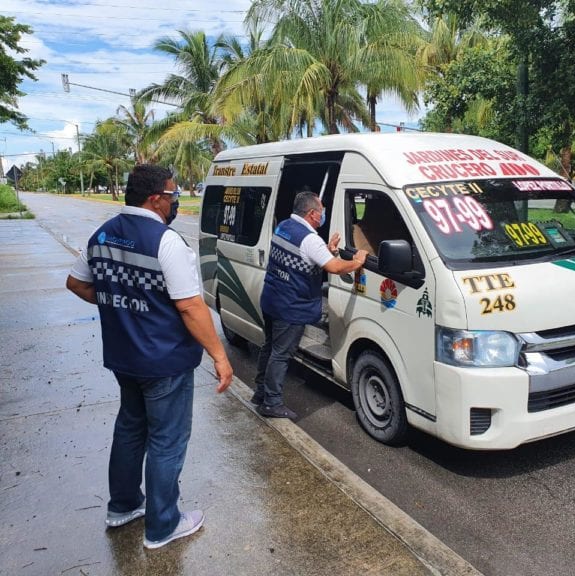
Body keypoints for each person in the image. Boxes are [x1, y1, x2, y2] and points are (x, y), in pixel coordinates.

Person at [65, 164, 233, 550]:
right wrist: (219, 356)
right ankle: (163, 525)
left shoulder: (102, 234)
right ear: (156, 198)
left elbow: (77, 283)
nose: (176, 202)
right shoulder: (166, 241)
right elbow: (192, 307)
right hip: (164, 362)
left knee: (130, 430)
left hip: (124, 357)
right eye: (174, 195)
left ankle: (123, 506)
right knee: (167, 440)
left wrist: (120, 306)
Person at [252, 191, 368, 419]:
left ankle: (260, 393)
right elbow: (334, 268)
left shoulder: (284, 226)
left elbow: (303, 257)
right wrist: (356, 262)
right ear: (313, 214)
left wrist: (327, 249)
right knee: (281, 354)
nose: (323, 216)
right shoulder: (309, 238)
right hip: (290, 306)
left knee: (270, 347)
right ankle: (271, 403)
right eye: (322, 212)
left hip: (272, 299)